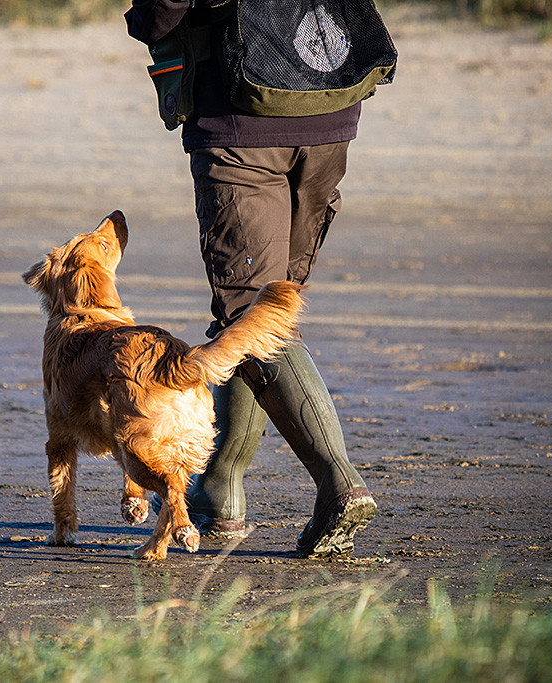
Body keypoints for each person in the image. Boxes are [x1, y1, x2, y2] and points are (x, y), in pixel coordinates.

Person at [125, 0, 384, 558]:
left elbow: (162, 14)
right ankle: (220, 493)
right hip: (330, 106)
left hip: (242, 120)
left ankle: (340, 485)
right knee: (266, 312)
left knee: (254, 317)